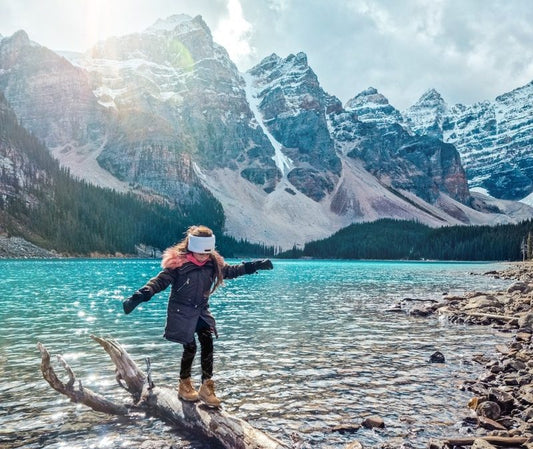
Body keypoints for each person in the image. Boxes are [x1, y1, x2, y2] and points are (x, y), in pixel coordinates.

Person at [122, 225, 273, 407]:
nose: (203, 257)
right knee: (190, 347)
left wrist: (254, 266)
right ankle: (184, 384)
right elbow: (160, 281)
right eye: (200, 253)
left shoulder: (213, 263)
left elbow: (230, 271)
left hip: (200, 310)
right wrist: (140, 295)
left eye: (206, 253)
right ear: (192, 247)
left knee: (207, 341)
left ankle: (206, 387)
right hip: (181, 312)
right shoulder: (178, 264)